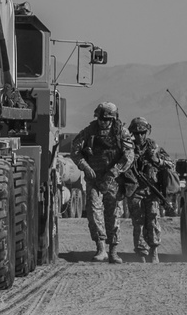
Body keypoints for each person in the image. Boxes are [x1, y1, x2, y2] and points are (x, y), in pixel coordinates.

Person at [69, 102, 135, 263]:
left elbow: (129, 155)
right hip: (94, 179)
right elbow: (75, 150)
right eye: (101, 118)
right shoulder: (89, 132)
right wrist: (84, 166)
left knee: (113, 214)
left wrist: (115, 171)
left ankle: (113, 250)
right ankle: (101, 248)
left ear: (113, 119)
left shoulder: (122, 133)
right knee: (93, 211)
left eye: (107, 119)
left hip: (113, 180)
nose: (103, 122)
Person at [126, 117, 174, 263]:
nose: (139, 136)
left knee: (152, 220)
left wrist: (156, 160)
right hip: (135, 190)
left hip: (152, 191)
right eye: (136, 133)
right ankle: (141, 253)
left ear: (147, 132)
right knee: (138, 222)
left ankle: (154, 250)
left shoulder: (155, 148)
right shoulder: (129, 149)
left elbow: (170, 165)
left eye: (142, 133)